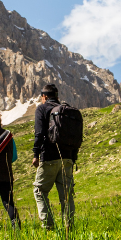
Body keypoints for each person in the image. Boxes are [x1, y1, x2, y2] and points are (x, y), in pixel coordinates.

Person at [33, 84, 76, 230]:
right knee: (66, 194)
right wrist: (73, 157)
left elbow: (39, 134)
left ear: (44, 96)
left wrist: (35, 154)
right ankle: (69, 226)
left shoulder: (42, 108)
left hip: (49, 157)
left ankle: (48, 225)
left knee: (39, 190)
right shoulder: (66, 110)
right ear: (57, 96)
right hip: (67, 158)